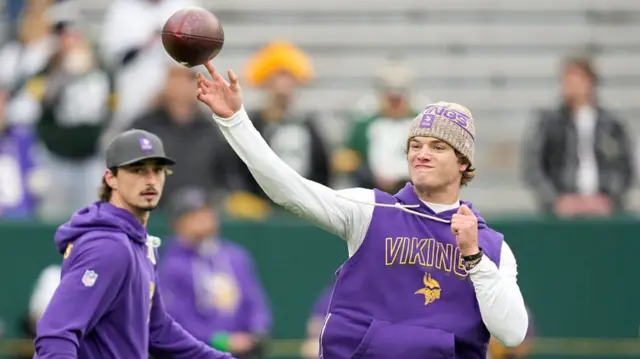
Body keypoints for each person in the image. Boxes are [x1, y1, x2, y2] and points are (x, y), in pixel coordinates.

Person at [195, 63, 528, 359]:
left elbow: (512, 333)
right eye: (415, 145)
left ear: (463, 163)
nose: (421, 154)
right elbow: (288, 188)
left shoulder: (491, 246)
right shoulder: (370, 209)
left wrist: (473, 256)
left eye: (438, 147)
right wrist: (235, 120)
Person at [33, 129, 234, 359]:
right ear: (111, 178)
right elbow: (56, 334)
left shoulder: (139, 243)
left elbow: (157, 331)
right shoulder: (108, 247)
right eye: (137, 170)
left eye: (157, 170)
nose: (150, 180)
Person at [159, 187, 272, 359]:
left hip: (243, 352)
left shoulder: (235, 256)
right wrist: (220, 340)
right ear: (178, 223)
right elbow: (176, 320)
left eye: (208, 212)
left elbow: (255, 302)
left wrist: (257, 332)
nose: (205, 218)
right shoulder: (171, 264)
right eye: (195, 214)